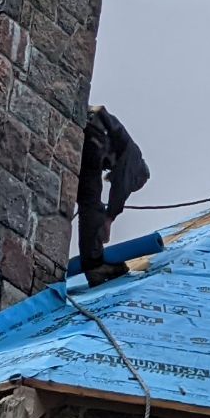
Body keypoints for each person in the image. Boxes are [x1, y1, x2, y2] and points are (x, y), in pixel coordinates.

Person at [75, 106, 150, 286]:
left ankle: (93, 263)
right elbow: (121, 188)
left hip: (92, 130)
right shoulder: (134, 159)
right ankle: (94, 266)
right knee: (92, 205)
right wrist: (109, 218)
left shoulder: (120, 150)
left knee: (89, 202)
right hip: (96, 133)